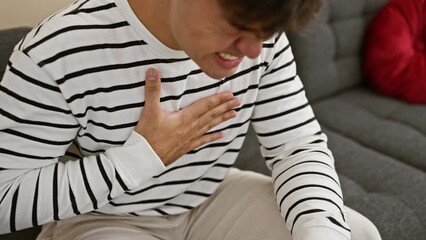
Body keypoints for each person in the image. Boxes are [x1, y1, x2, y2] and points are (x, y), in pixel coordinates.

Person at [0, 0, 382, 239]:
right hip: (102, 218)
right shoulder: (60, 50)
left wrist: (317, 229)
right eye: (238, 25)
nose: (252, 51)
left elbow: (296, 146)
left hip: (207, 198)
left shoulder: (263, 38)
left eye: (267, 32)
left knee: (353, 233)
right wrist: (143, 156)